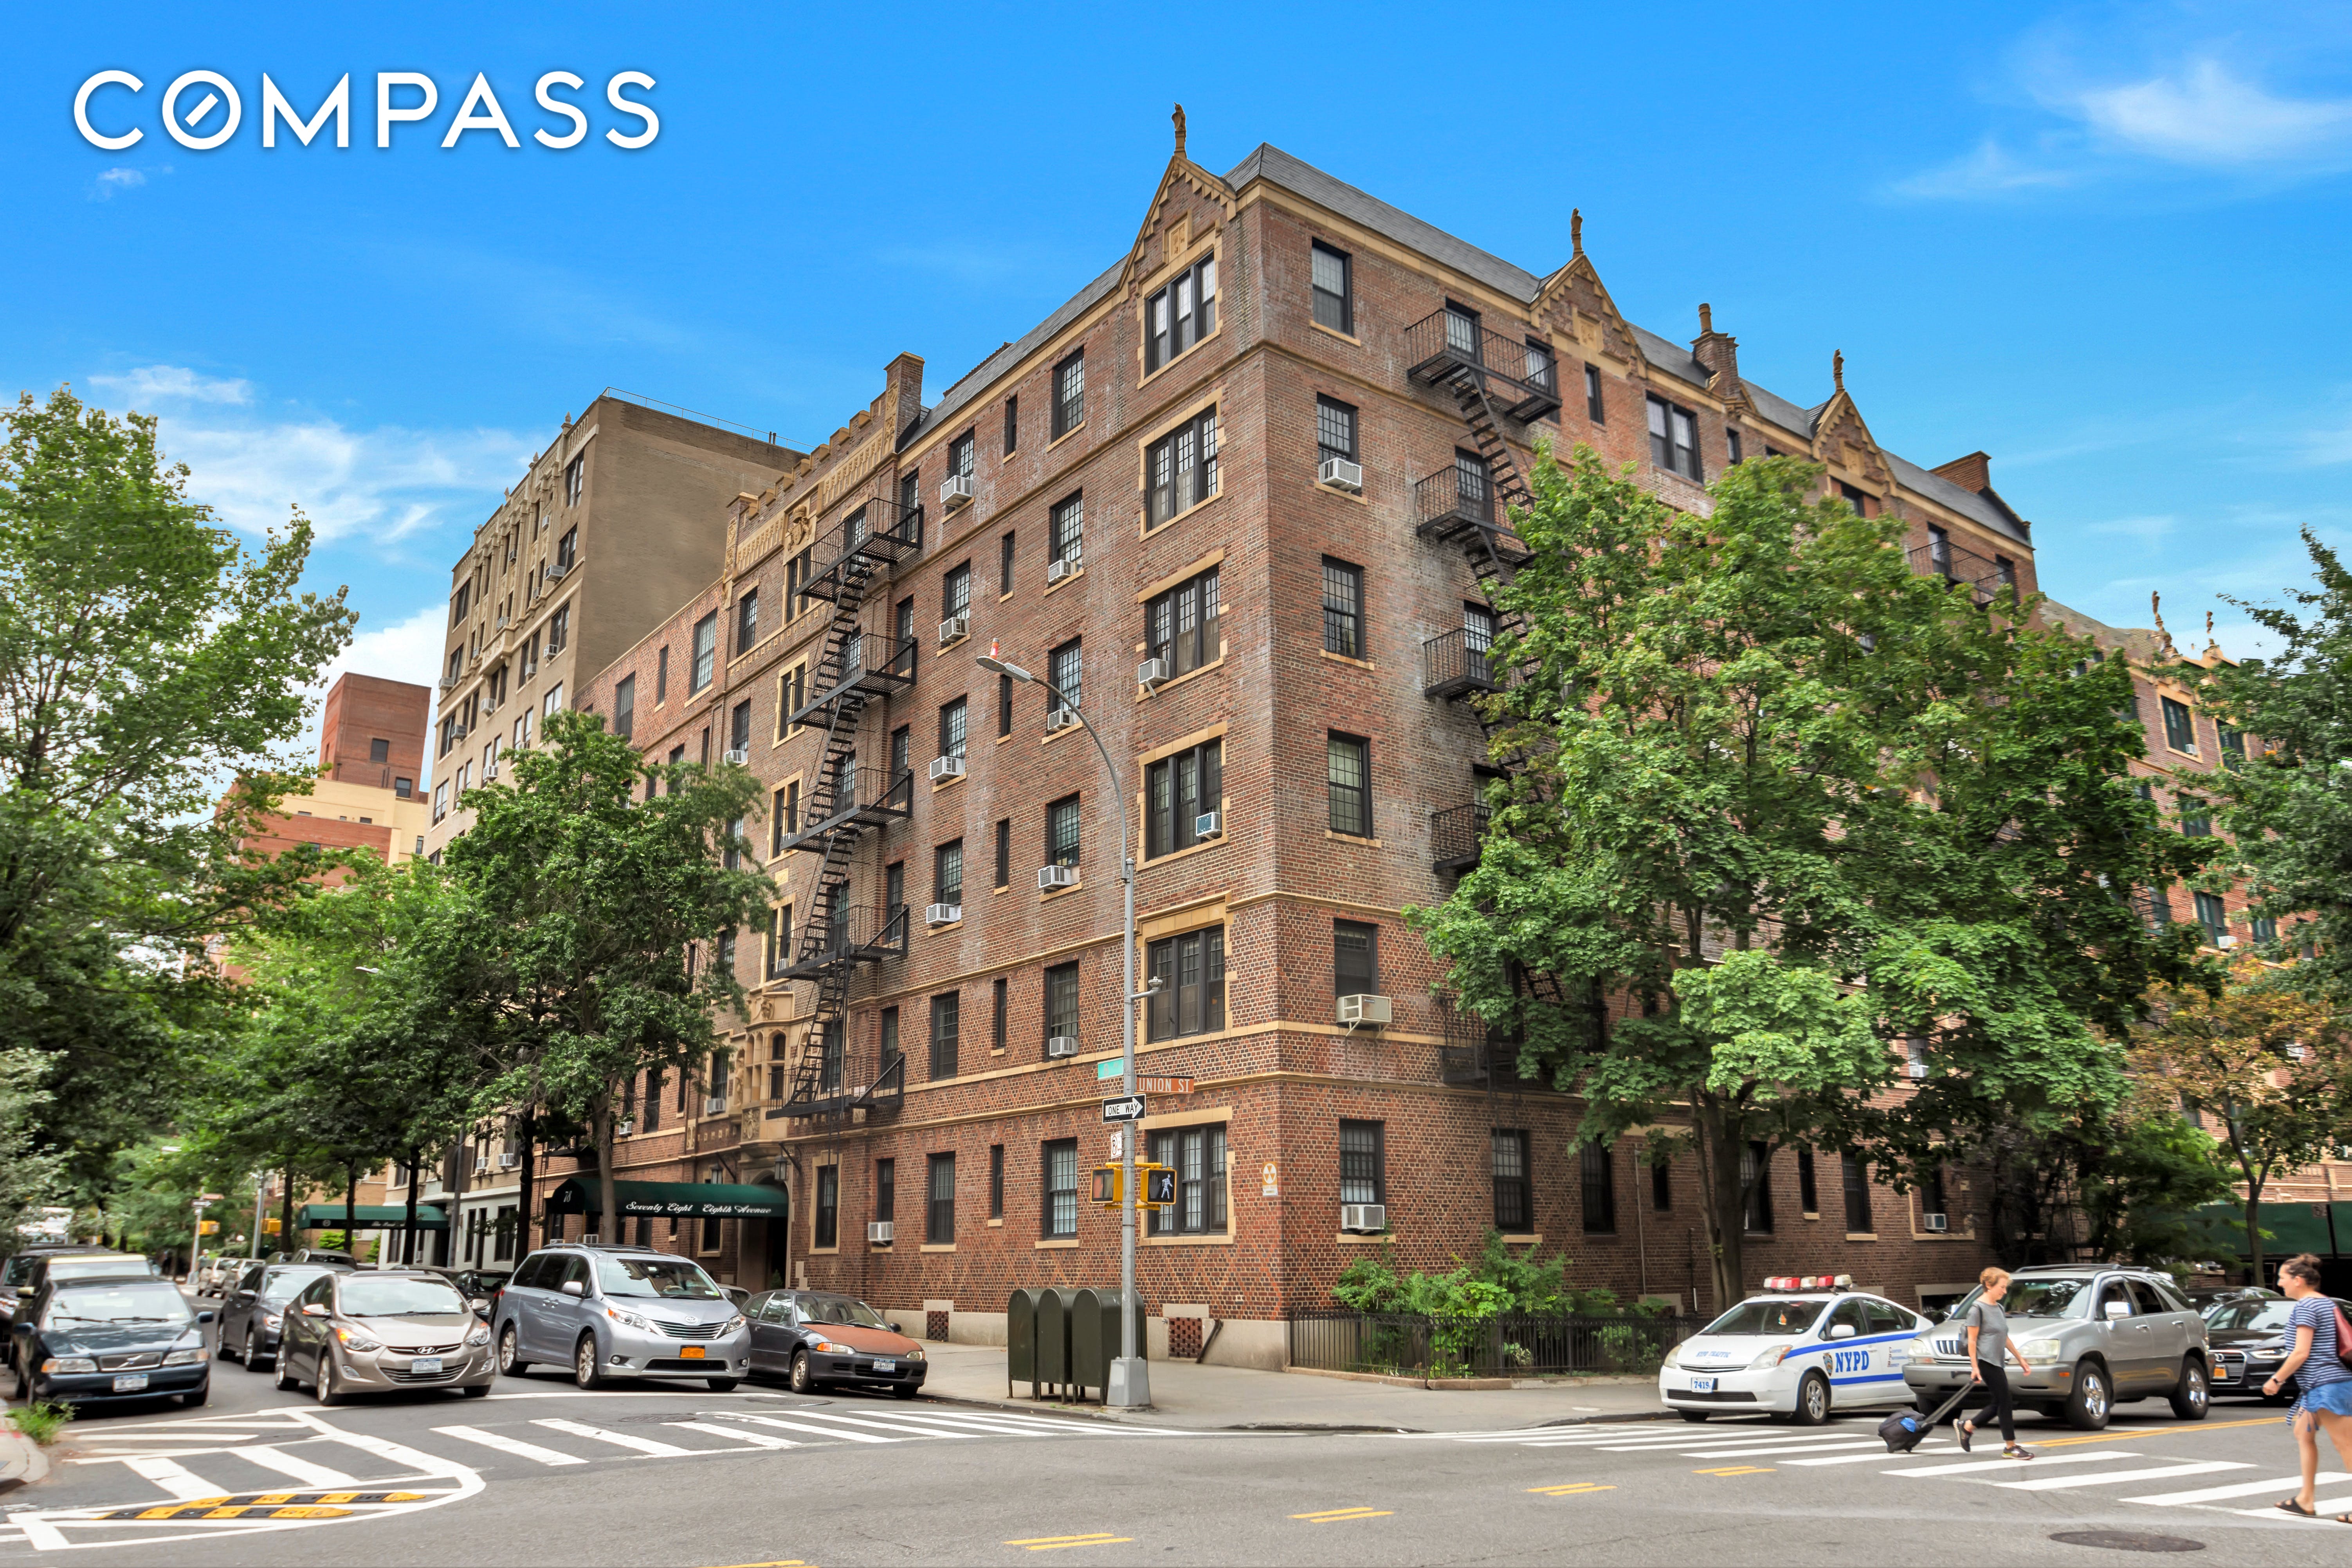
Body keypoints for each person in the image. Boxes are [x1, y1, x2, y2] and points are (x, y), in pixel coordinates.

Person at [2264, 1254, 2352, 1522]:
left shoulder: (2306, 1307)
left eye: (2282, 1278)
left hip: (2327, 1384)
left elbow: (2301, 1352)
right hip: (2320, 1385)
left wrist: (2277, 1380)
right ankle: (2306, 1500)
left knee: (2346, 1444)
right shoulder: (2325, 1302)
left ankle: (2307, 1499)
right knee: (2303, 1434)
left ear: (2298, 1280)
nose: (2280, 1283)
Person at [1957, 1265, 2036, 1459]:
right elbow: (1972, 1341)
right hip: (1985, 1361)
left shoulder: (1998, 1308)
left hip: (1997, 1361)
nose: (2005, 1291)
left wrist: (2020, 1359)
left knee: (2000, 1401)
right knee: (2006, 1401)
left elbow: (2004, 1337)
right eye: (2002, 1287)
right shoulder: (1977, 1309)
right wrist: (1975, 1368)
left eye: (2005, 1287)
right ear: (1988, 1285)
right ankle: (2010, 1446)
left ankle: (1967, 1427)